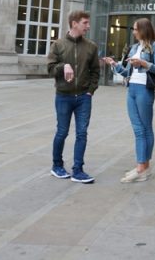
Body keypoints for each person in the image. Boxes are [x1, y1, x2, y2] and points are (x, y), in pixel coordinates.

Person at [104, 18, 155, 183]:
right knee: (137, 129)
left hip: (145, 90)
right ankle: (143, 167)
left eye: (136, 29)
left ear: (143, 29)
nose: (134, 32)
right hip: (132, 90)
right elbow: (126, 72)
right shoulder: (134, 48)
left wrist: (142, 62)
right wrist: (114, 64)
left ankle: (141, 168)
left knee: (145, 128)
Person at [47, 10, 101, 184]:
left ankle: (78, 170)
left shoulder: (91, 46)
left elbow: (95, 71)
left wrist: (90, 90)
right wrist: (64, 66)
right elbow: (50, 69)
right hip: (63, 96)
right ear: (74, 23)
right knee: (62, 132)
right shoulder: (58, 45)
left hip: (84, 97)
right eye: (85, 23)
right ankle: (57, 166)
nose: (88, 26)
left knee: (82, 133)